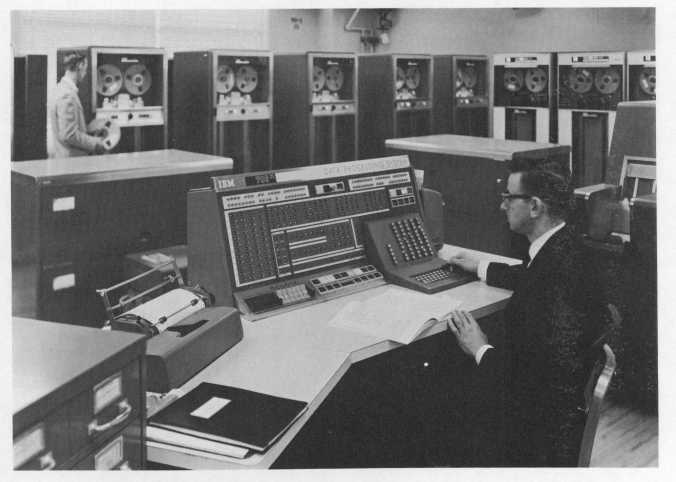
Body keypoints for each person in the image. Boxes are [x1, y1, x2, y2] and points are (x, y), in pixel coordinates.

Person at [446, 163, 605, 467]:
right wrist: (481, 267)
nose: (502, 205)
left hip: (533, 432)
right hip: (558, 417)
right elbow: (531, 276)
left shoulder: (550, 279)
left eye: (509, 197)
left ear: (534, 207)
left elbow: (529, 379)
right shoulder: (565, 246)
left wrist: (479, 347)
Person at [49, 51, 106, 157]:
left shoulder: (59, 88)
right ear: (80, 65)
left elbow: (67, 128)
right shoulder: (67, 95)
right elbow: (69, 135)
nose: (85, 73)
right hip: (72, 160)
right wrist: (95, 143)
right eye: (86, 68)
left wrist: (89, 129)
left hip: (64, 157)